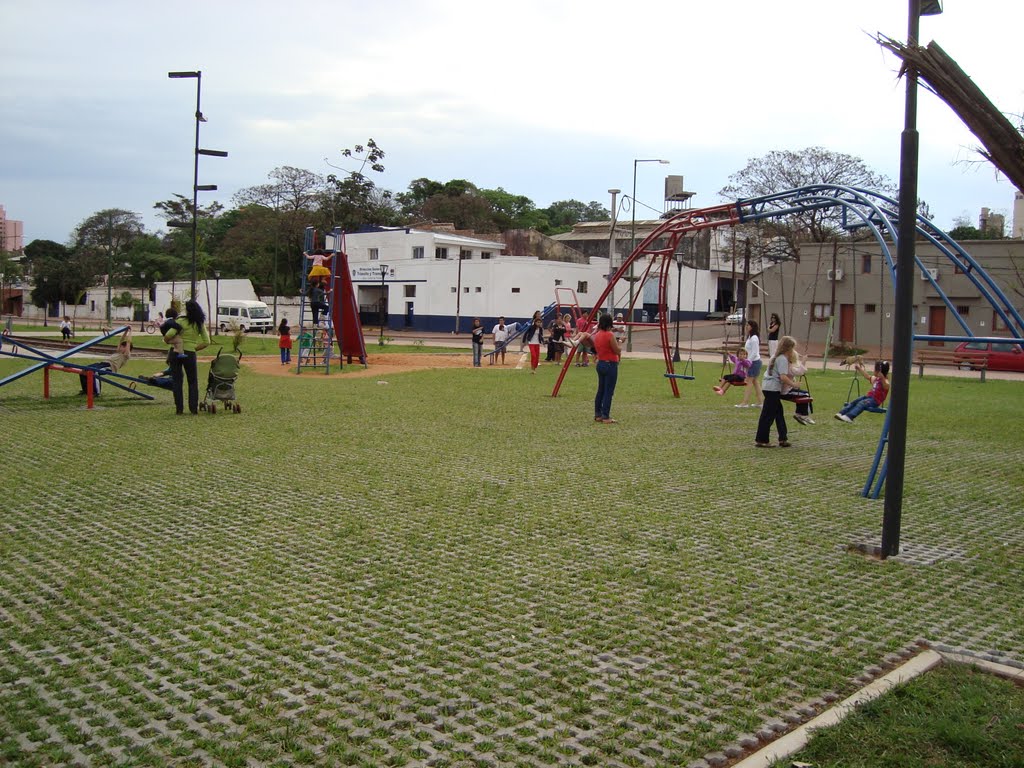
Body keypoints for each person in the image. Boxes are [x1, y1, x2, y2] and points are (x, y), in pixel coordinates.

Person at [164, 299, 211, 415]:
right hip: (190, 354)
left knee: (177, 381)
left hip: (175, 352)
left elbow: (169, 334)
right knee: (192, 381)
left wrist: (168, 341)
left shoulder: (180, 321)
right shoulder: (199, 323)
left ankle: (179, 409)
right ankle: (193, 408)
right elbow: (207, 342)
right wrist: (193, 348)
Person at [755, 335, 798, 448]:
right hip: (773, 389)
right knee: (768, 415)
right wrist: (794, 385)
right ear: (788, 348)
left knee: (778, 413)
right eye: (792, 348)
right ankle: (762, 440)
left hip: (767, 387)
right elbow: (783, 377)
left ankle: (783, 438)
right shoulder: (782, 359)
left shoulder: (775, 356)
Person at [79, 328, 133, 394]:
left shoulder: (126, 355)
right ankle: (85, 390)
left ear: (126, 348)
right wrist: (126, 331)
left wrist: (130, 331)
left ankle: (96, 392)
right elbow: (121, 340)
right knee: (83, 370)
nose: (120, 347)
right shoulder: (119, 352)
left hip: (109, 367)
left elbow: (128, 342)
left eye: (122, 347)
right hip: (102, 363)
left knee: (95, 372)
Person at [592, 313, 622, 423]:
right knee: (608, 391)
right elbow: (617, 350)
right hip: (610, 364)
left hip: (601, 363)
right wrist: (620, 343)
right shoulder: (609, 335)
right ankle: (606, 416)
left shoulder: (598, 334)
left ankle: (598, 414)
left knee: (601, 390)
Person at [737, 320, 763, 408]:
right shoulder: (750, 337)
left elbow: (755, 352)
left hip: (754, 362)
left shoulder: (754, 338)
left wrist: (747, 361)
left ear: (752, 327)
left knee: (749, 382)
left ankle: (745, 402)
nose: (746, 326)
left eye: (748, 325)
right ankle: (760, 402)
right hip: (752, 362)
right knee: (755, 381)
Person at [785, 352, 815, 425]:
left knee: (804, 394)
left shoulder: (787, 364)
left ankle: (800, 414)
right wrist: (804, 361)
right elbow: (799, 372)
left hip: (786, 389)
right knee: (806, 395)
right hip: (786, 391)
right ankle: (804, 415)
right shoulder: (788, 366)